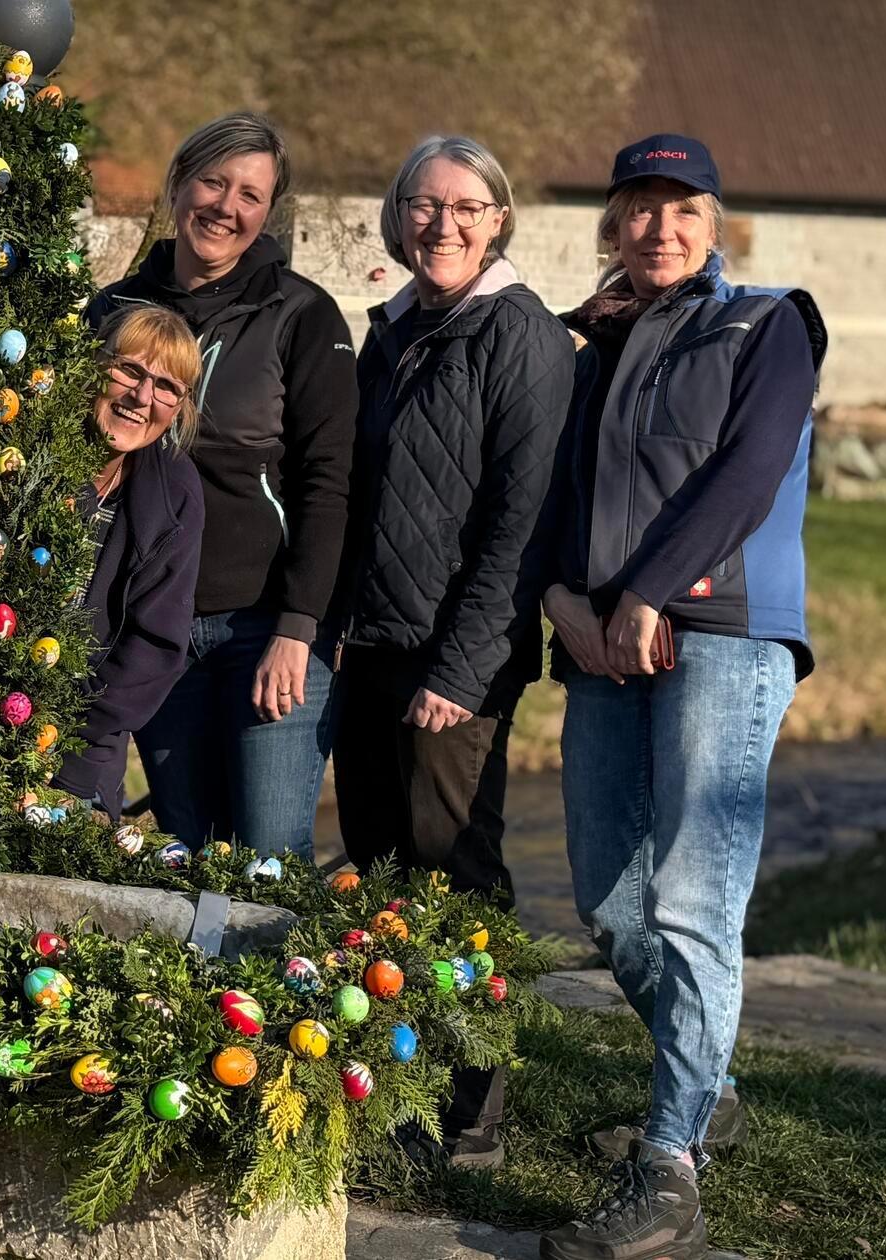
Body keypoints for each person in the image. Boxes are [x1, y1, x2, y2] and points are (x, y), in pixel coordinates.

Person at [536, 134, 825, 1260]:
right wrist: (562, 597)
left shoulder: (770, 321)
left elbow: (748, 471)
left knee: (693, 904)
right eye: (639, 209)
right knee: (611, 902)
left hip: (721, 635)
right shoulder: (595, 343)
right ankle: (708, 1093)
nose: (659, 229)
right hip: (605, 636)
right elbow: (558, 493)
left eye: (682, 210)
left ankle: (669, 1175)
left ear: (715, 225)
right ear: (614, 226)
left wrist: (651, 591)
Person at [331, 136, 574, 1169]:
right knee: (381, 874)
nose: (442, 224)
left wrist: (461, 672)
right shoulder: (394, 331)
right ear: (397, 220)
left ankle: (474, 1105)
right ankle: (398, 1088)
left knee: (456, 876)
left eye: (466, 207)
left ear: (499, 221)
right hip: (372, 648)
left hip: (452, 664)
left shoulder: (519, 337)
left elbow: (522, 527)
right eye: (422, 205)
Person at [88, 112, 357, 858]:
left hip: (262, 625)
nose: (226, 208)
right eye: (212, 181)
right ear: (178, 185)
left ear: (268, 212)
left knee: (269, 854)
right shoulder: (113, 311)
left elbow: (328, 481)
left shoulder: (301, 314)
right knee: (186, 845)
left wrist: (298, 628)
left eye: (250, 195)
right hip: (152, 627)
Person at [49, 307, 206, 818]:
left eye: (167, 388)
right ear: (96, 366)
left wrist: (63, 725)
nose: (142, 398)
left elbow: (156, 645)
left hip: (83, 742)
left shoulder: (176, 495)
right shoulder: (29, 453)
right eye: (130, 371)